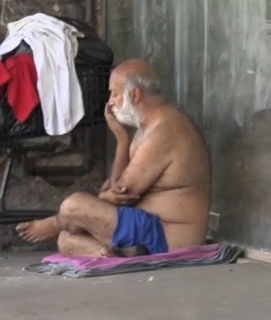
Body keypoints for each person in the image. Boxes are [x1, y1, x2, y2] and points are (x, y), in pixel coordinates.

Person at [15, 59, 211, 257]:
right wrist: (122, 140)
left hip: (167, 235)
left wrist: (102, 198)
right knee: (66, 240)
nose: (110, 102)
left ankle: (54, 223)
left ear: (135, 95)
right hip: (146, 227)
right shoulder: (146, 128)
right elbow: (114, 189)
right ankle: (116, 254)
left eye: (115, 93)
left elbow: (122, 193)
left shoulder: (166, 129)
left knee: (72, 206)